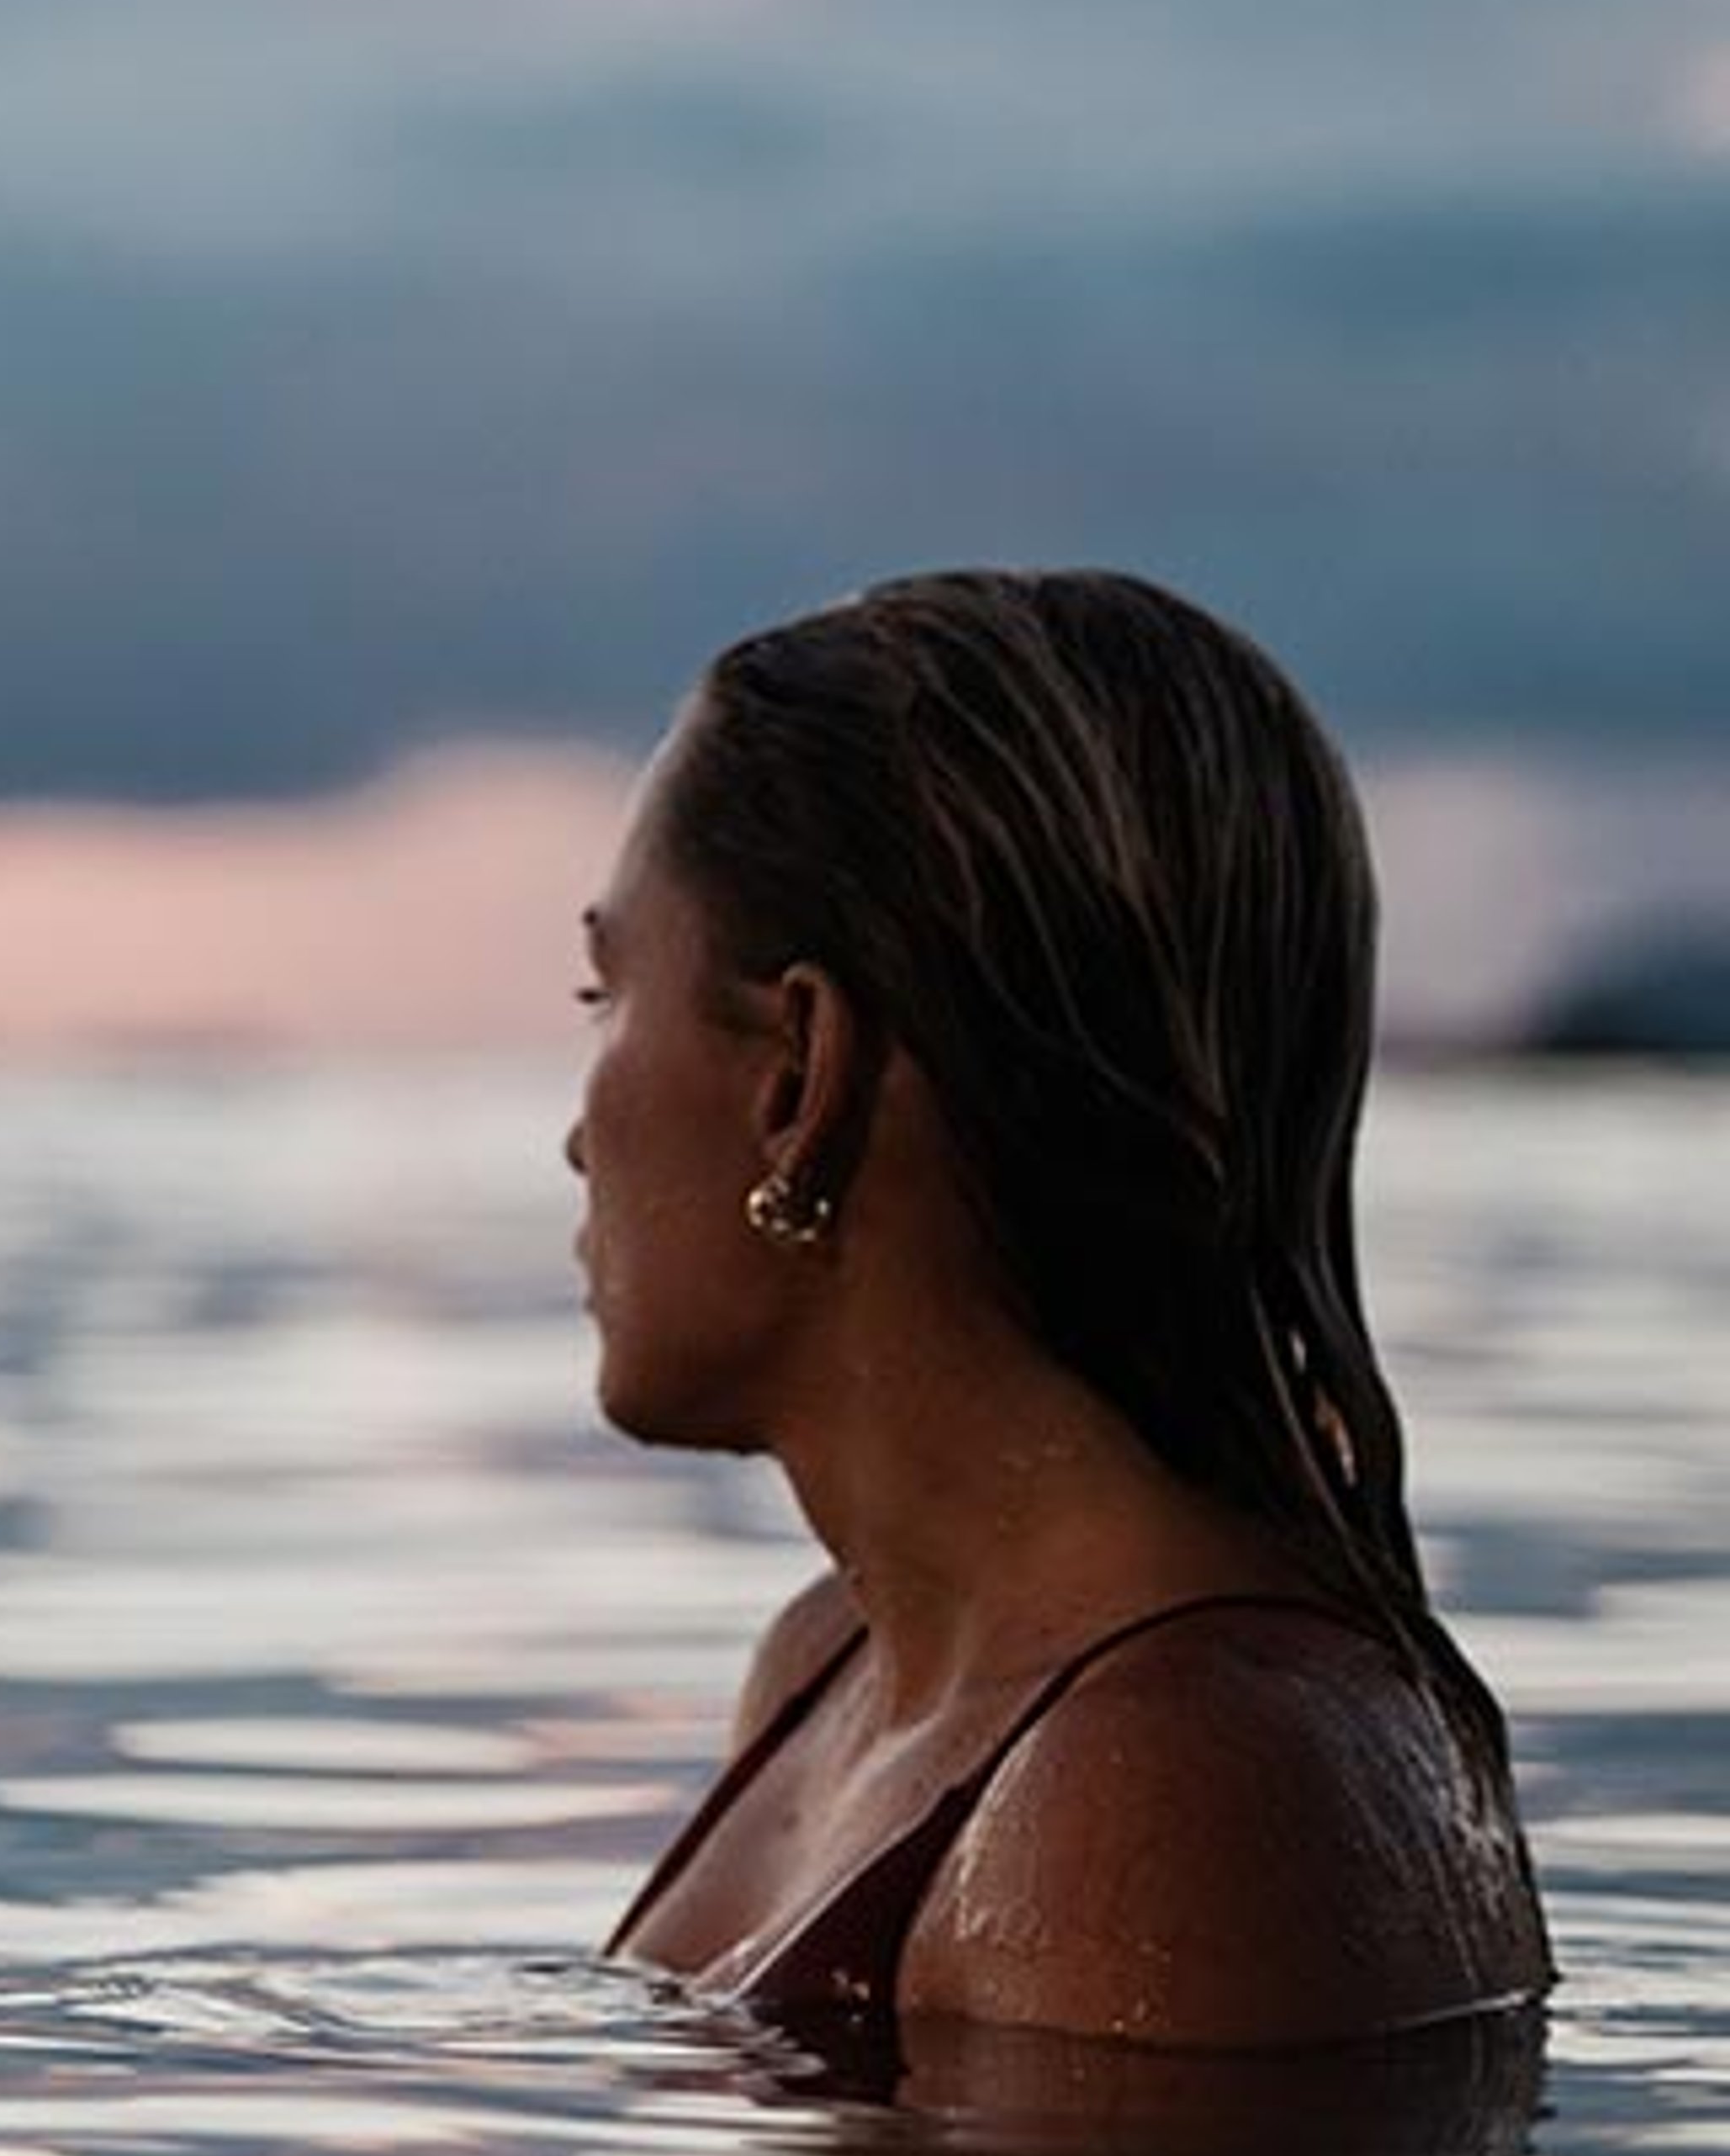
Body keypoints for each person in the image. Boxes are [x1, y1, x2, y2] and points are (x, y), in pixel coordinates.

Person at [573, 568, 1550, 2059]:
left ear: (797, 1075)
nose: (579, 1135)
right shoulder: (832, 1664)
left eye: (603, 994)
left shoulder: (1172, 1780)